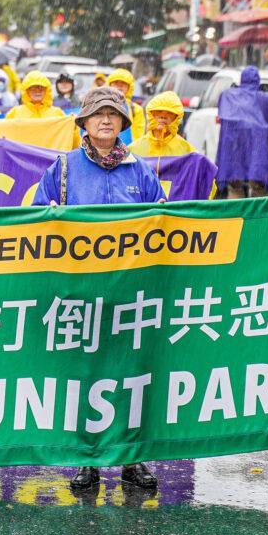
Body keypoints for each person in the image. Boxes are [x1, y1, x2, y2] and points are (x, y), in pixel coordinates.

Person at [32, 86, 164, 493]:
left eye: (114, 115)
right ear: (84, 123)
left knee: (132, 376)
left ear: (123, 124)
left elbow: (162, 220)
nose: (106, 120)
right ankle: (86, 459)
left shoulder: (140, 170)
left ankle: (131, 459)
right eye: (98, 114)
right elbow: (37, 219)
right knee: (84, 376)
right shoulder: (64, 168)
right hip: (81, 293)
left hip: (130, 293)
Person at [129, 91, 217, 200]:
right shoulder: (133, 149)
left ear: (177, 118)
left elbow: (206, 181)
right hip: (144, 213)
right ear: (150, 114)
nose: (163, 116)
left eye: (169, 113)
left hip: (173, 213)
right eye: (158, 111)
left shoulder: (188, 151)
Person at [215, 66, 268, 198]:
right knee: (258, 184)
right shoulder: (264, 98)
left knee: (235, 185)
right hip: (257, 146)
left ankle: (236, 213)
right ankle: (257, 215)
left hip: (234, 146)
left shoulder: (228, 95)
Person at [106, 69, 146, 141]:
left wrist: (133, 151)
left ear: (129, 87)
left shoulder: (136, 109)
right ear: (109, 85)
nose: (119, 86)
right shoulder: (101, 106)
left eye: (123, 83)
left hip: (127, 150)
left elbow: (138, 136)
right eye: (116, 83)